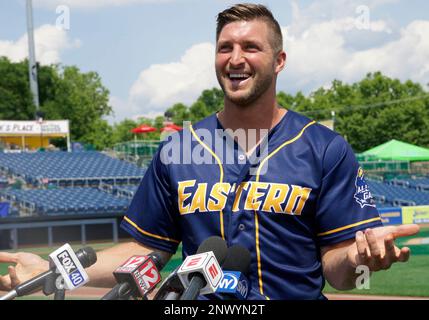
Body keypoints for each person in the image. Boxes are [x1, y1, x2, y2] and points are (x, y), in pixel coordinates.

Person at [0, 4, 419, 299]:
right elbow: (143, 253)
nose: (235, 58)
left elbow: (338, 270)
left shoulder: (324, 148)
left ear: (280, 60)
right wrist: (56, 269)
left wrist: (361, 257)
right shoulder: (178, 151)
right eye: (225, 48)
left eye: (251, 47)